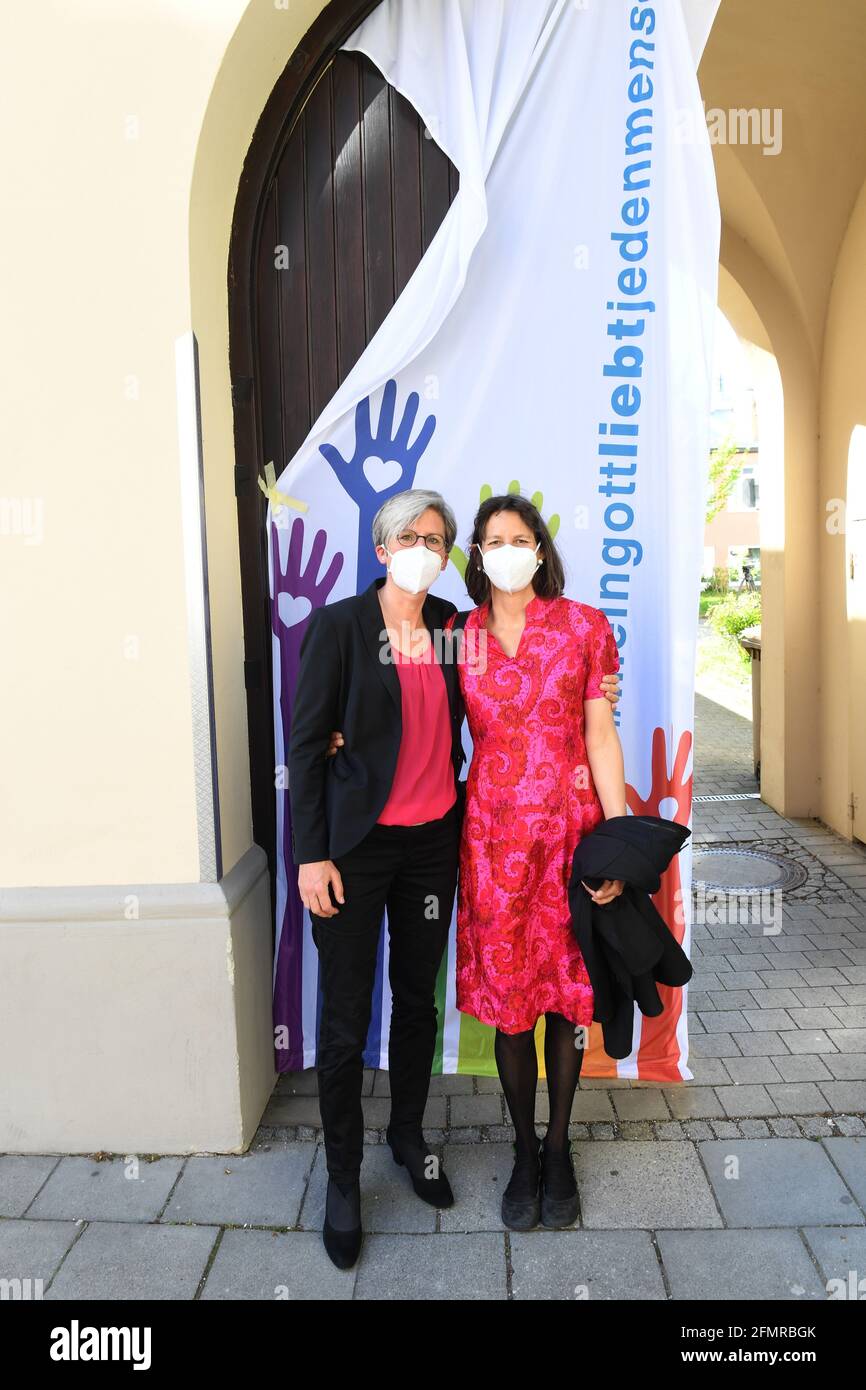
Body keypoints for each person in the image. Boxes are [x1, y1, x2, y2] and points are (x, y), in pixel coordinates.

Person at [288, 489, 466, 1270]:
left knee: (418, 1000)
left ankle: (408, 1139)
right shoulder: (339, 627)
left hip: (432, 845)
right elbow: (304, 746)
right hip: (354, 851)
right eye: (412, 536)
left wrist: (595, 693)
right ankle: (342, 1179)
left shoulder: (454, 629)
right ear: (382, 547)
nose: (426, 547)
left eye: (439, 538)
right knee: (344, 1015)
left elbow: (496, 705)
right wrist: (311, 853)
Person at [448, 493, 627, 1231]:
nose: (509, 550)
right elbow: (415, 718)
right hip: (492, 847)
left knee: (567, 995)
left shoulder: (585, 627)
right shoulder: (458, 635)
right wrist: (341, 741)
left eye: (521, 538)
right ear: (478, 556)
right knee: (513, 1005)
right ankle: (523, 1149)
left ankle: (560, 1148)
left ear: (542, 549)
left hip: (570, 840)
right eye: (494, 540)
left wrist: (621, 841)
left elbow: (601, 736)